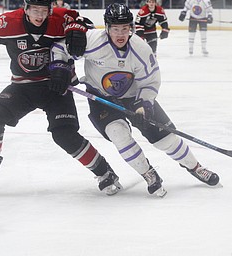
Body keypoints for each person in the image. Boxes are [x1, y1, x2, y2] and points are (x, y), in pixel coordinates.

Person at [50, 3, 220, 197]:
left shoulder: (140, 48)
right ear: (107, 28)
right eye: (115, 29)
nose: (120, 34)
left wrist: (144, 105)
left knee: (166, 140)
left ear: (131, 27)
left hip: (134, 97)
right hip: (100, 97)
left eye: (125, 28)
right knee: (118, 134)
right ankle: (148, 173)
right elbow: (59, 48)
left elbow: (150, 81)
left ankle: (195, 167)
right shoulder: (93, 41)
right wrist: (58, 69)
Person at [0, 0, 122, 195]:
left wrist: (77, 29)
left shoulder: (61, 18)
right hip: (23, 87)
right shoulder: (7, 23)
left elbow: (87, 28)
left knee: (64, 135)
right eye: (35, 10)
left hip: (57, 87)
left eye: (44, 10)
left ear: (50, 10)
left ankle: (105, 173)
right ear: (25, 9)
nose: (39, 15)